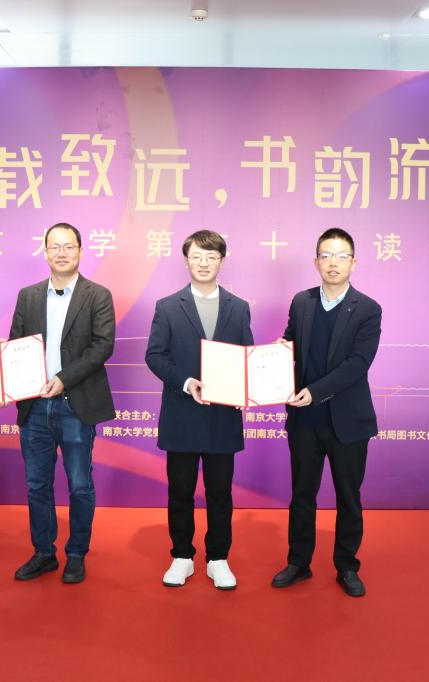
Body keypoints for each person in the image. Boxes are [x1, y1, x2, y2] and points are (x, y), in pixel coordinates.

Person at [271, 227, 382, 598]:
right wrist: (276, 354)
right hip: (304, 419)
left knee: (348, 497)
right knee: (302, 494)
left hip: (348, 421)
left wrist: (315, 392)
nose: (333, 263)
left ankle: (347, 566)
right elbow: (291, 343)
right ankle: (298, 562)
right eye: (326, 255)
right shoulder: (301, 301)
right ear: (316, 261)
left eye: (341, 256)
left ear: (354, 262)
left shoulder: (367, 309)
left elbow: (358, 364)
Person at [7, 222, 116, 584]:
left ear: (81, 251)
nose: (62, 253)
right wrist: (6, 382)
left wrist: (64, 378)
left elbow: (102, 346)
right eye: (55, 246)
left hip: (75, 403)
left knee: (79, 485)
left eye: (69, 246)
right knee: (37, 485)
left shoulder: (97, 295)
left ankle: (76, 554)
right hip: (35, 406)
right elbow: (16, 345)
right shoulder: (28, 296)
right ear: (45, 252)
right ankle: (43, 552)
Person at [145, 230, 253, 590]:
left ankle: (218, 558)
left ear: (222, 260)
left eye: (211, 257)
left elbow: (246, 357)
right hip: (182, 414)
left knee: (220, 493)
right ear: (186, 260)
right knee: (180, 491)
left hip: (223, 416)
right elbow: (155, 355)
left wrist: (254, 378)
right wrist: (187, 382)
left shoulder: (239, 307)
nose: (204, 263)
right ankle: (182, 556)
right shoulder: (167, 306)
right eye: (196, 256)